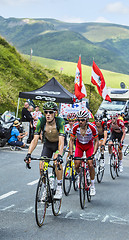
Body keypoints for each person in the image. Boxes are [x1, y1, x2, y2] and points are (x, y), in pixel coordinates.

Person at [25, 101, 65, 199]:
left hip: (58, 145)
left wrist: (59, 155)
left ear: (55, 113)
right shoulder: (41, 121)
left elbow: (61, 141)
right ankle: (47, 188)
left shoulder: (60, 121)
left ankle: (59, 188)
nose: (48, 115)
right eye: (46, 112)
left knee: (57, 162)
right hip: (47, 145)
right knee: (41, 166)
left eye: (50, 112)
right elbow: (35, 139)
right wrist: (29, 153)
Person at [69, 110, 99, 196]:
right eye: (78, 120)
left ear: (86, 120)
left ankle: (92, 185)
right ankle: (79, 175)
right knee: (77, 164)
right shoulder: (75, 126)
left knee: (90, 164)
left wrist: (93, 154)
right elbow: (71, 140)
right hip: (79, 145)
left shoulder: (92, 127)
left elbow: (96, 141)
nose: (80, 122)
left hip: (89, 145)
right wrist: (71, 154)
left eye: (82, 120)